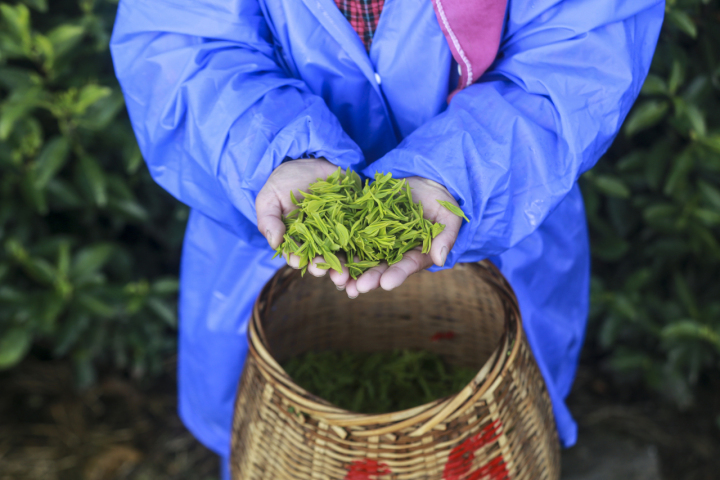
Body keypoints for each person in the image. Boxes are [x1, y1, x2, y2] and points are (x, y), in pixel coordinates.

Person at [110, 0, 664, 477]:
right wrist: (277, 154)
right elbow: (182, 41)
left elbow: (580, 51)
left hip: (500, 204)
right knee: (286, 443)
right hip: (264, 228)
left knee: (488, 438)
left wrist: (458, 177)